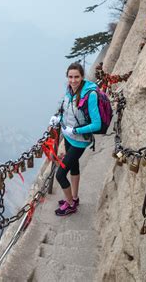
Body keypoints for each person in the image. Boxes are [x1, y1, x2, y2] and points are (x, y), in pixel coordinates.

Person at [49, 62, 101, 216]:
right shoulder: (69, 91)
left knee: (60, 175)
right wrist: (58, 118)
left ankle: (70, 204)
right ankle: (75, 197)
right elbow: (67, 112)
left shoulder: (89, 95)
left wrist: (76, 130)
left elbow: (97, 124)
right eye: (70, 77)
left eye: (76, 77)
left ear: (82, 77)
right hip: (69, 137)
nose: (73, 80)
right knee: (74, 166)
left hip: (79, 140)